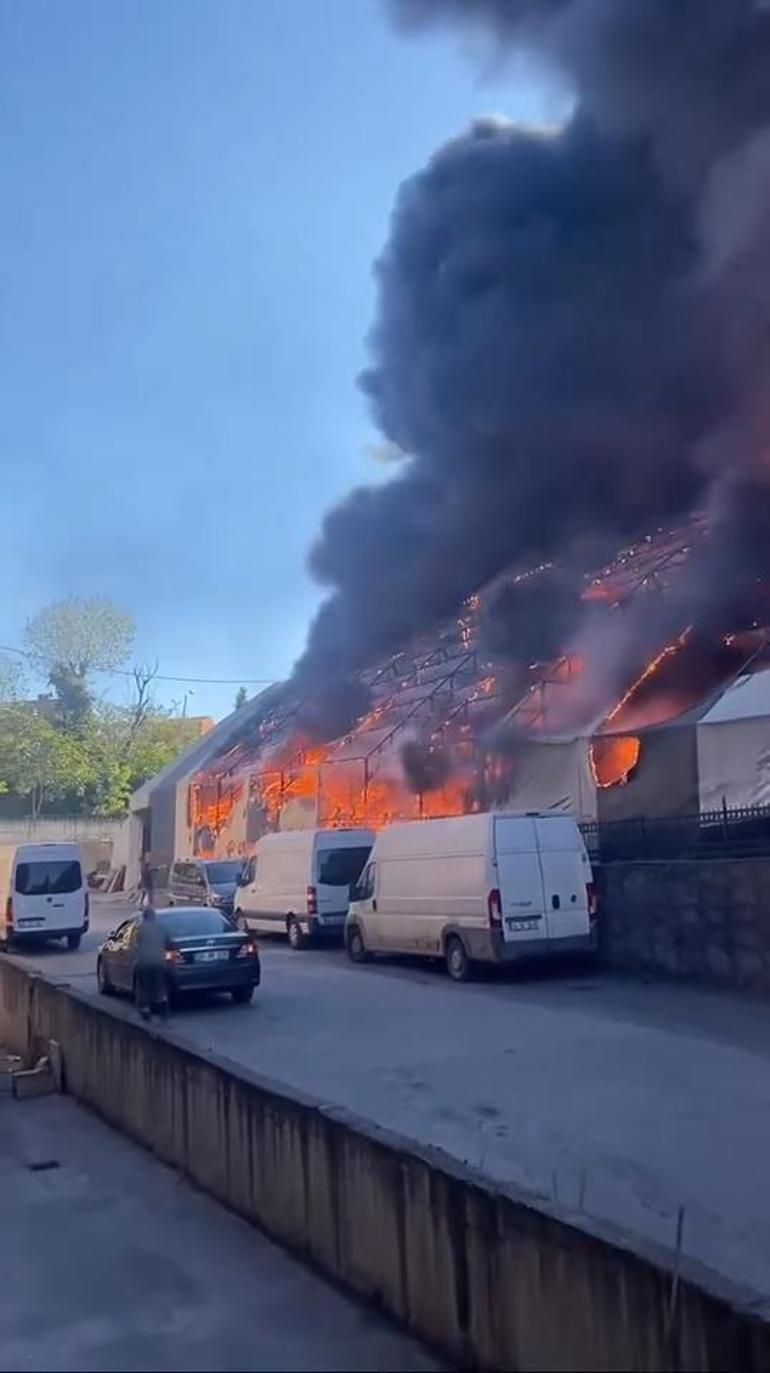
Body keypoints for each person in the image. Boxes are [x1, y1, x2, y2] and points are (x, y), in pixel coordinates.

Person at [135, 906, 170, 1021]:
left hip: (144, 963)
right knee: (159, 985)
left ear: (144, 917)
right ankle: (163, 1006)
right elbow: (169, 943)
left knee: (144, 987)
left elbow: (137, 944)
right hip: (159, 963)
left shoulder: (140, 928)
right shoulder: (162, 927)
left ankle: (145, 1010)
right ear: (154, 916)